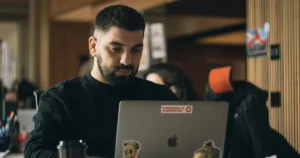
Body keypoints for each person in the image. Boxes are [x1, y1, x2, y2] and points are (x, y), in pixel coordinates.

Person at [24, 5, 178, 158]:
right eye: (116, 49)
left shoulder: (161, 97)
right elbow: (33, 152)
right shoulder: (60, 98)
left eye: (136, 50)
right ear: (93, 46)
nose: (127, 60)